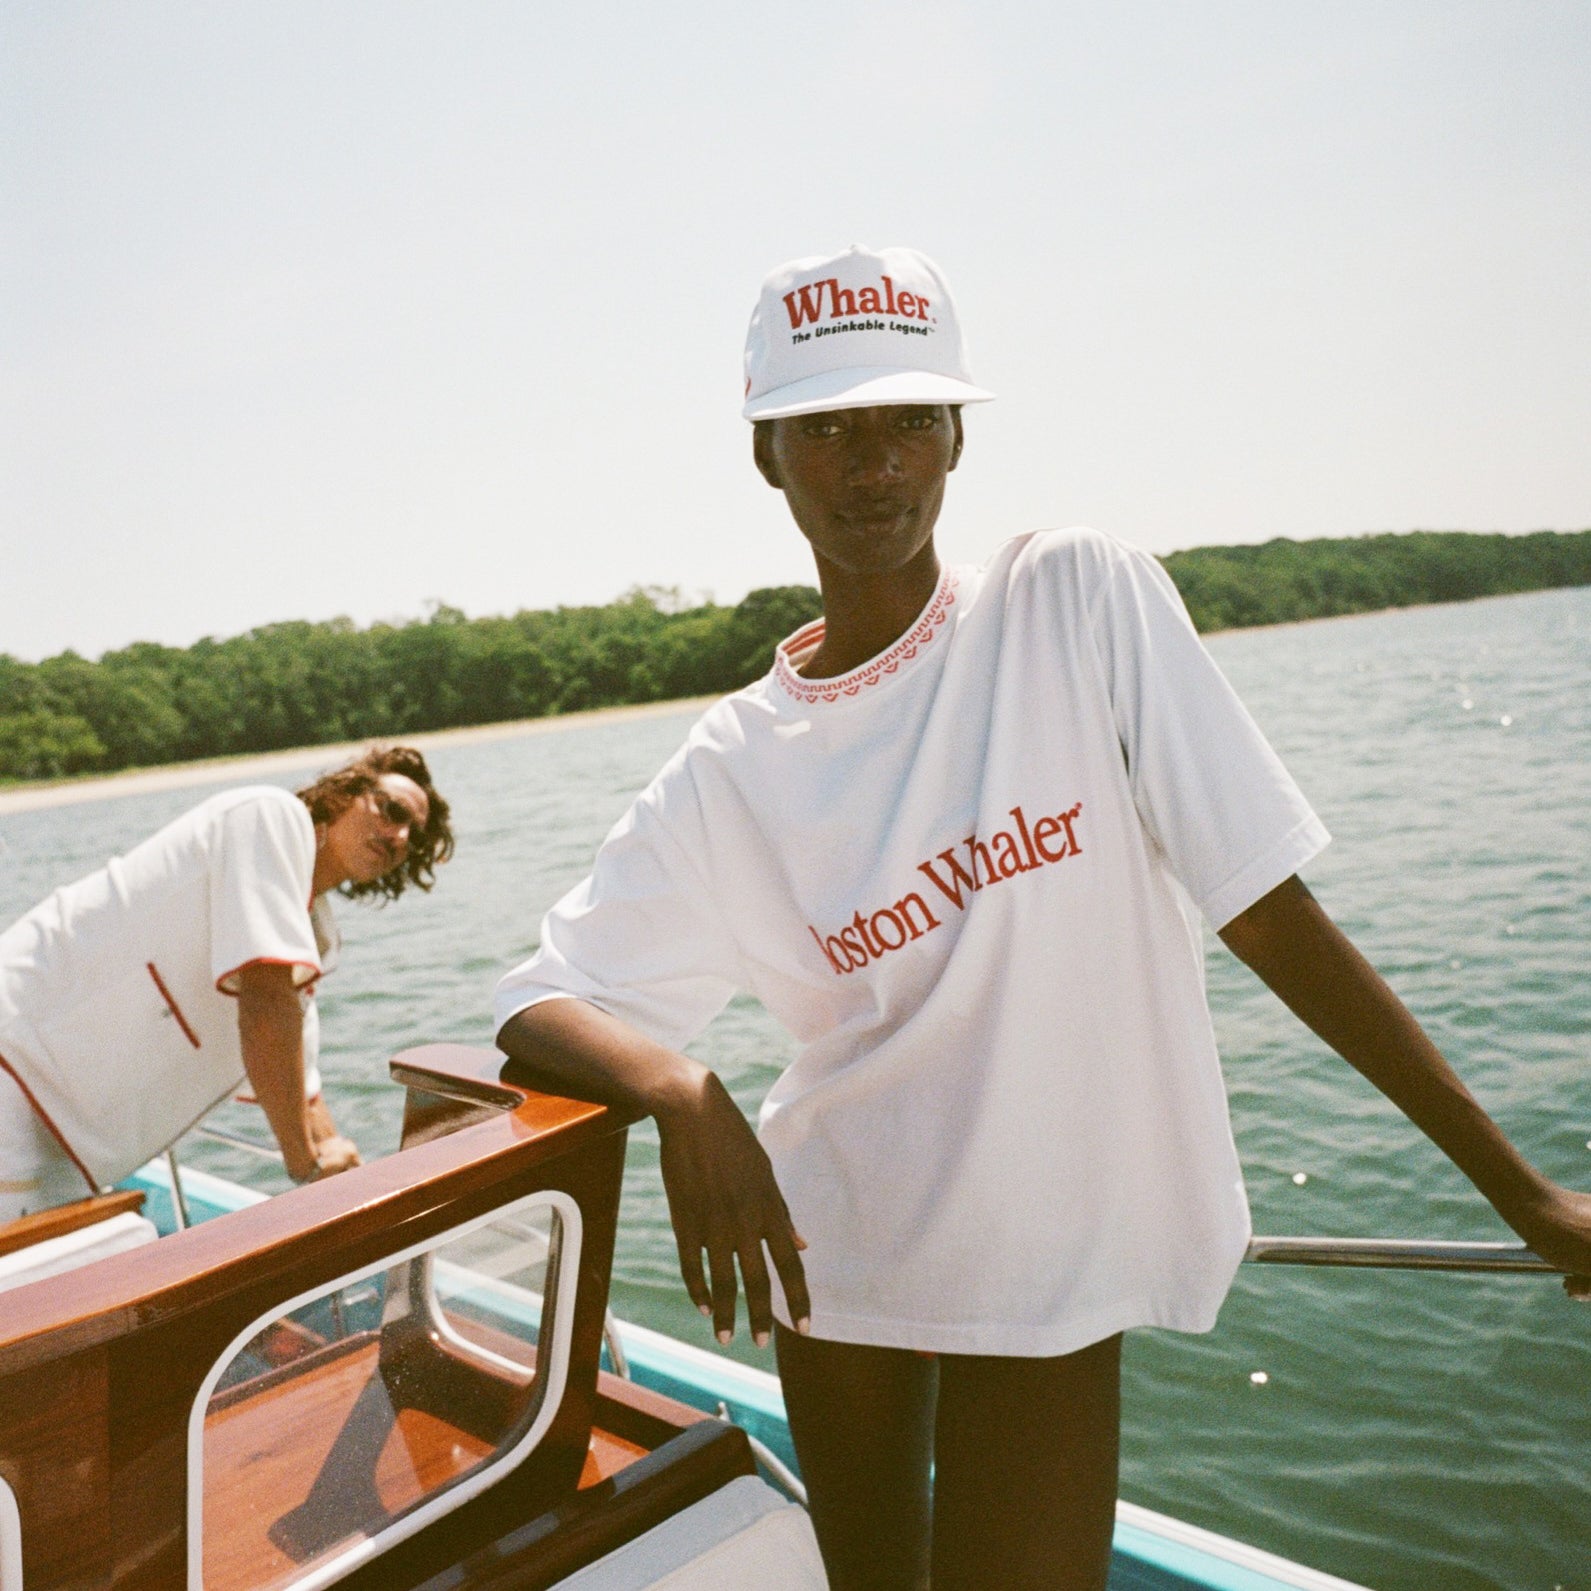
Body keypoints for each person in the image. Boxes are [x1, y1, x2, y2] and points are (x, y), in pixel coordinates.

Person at [494, 245, 1591, 1591]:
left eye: (904, 417)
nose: (871, 461)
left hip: (1039, 1268)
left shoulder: (1072, 597)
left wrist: (1523, 1194)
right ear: (766, 456)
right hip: (832, 1262)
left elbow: (1262, 908)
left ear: (955, 432)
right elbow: (537, 997)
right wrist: (678, 1084)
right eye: (825, 427)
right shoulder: (732, 762)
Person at [0, 744, 453, 1220]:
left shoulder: (309, 932)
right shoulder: (270, 817)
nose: (399, 835)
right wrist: (305, 1163)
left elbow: (300, 1079)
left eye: (413, 835)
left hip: (67, 1144)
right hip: (16, 1067)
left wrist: (346, 1173)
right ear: (344, 793)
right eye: (392, 810)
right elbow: (265, 1004)